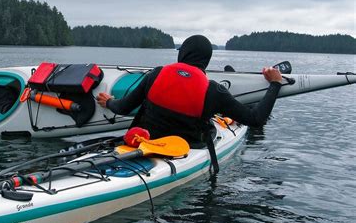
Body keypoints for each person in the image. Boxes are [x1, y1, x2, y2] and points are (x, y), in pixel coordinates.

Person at [96, 35, 283, 151]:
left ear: (182, 54)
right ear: (206, 61)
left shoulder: (156, 74)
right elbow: (256, 119)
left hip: (145, 143)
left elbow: (124, 107)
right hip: (186, 150)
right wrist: (274, 84)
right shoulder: (213, 91)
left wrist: (110, 102)